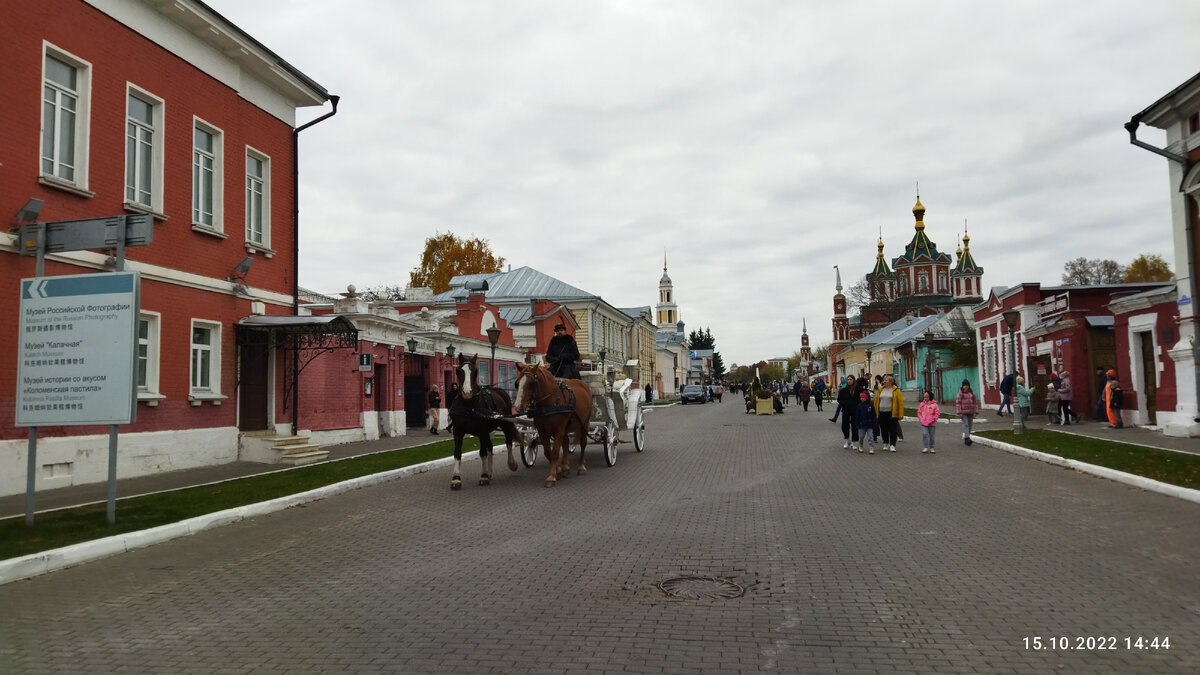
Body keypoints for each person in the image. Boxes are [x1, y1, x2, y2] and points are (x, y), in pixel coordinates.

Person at [873, 374, 904, 453]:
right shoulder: (880, 389)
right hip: (881, 412)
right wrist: (875, 411)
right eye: (884, 380)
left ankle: (892, 445)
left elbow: (900, 403)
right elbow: (876, 401)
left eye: (886, 380)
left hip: (892, 413)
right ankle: (885, 442)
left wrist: (900, 414)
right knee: (884, 429)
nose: (884, 381)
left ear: (890, 381)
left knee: (893, 429)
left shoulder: (896, 390)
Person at [955, 380, 979, 446]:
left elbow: (975, 402)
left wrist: (975, 411)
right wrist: (959, 412)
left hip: (970, 412)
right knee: (966, 425)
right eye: (964, 385)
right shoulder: (960, 393)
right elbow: (958, 403)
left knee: (970, 425)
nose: (965, 386)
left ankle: (967, 437)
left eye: (967, 385)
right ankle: (967, 438)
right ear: (962, 386)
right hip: (963, 412)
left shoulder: (971, 393)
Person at [837, 376, 858, 448]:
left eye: (850, 379)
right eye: (848, 379)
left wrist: (857, 404)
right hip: (846, 410)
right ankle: (847, 440)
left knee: (855, 426)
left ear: (853, 380)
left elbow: (860, 398)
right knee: (844, 426)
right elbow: (839, 399)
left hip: (855, 410)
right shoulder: (844, 390)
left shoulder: (857, 389)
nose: (849, 381)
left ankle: (854, 442)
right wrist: (844, 403)